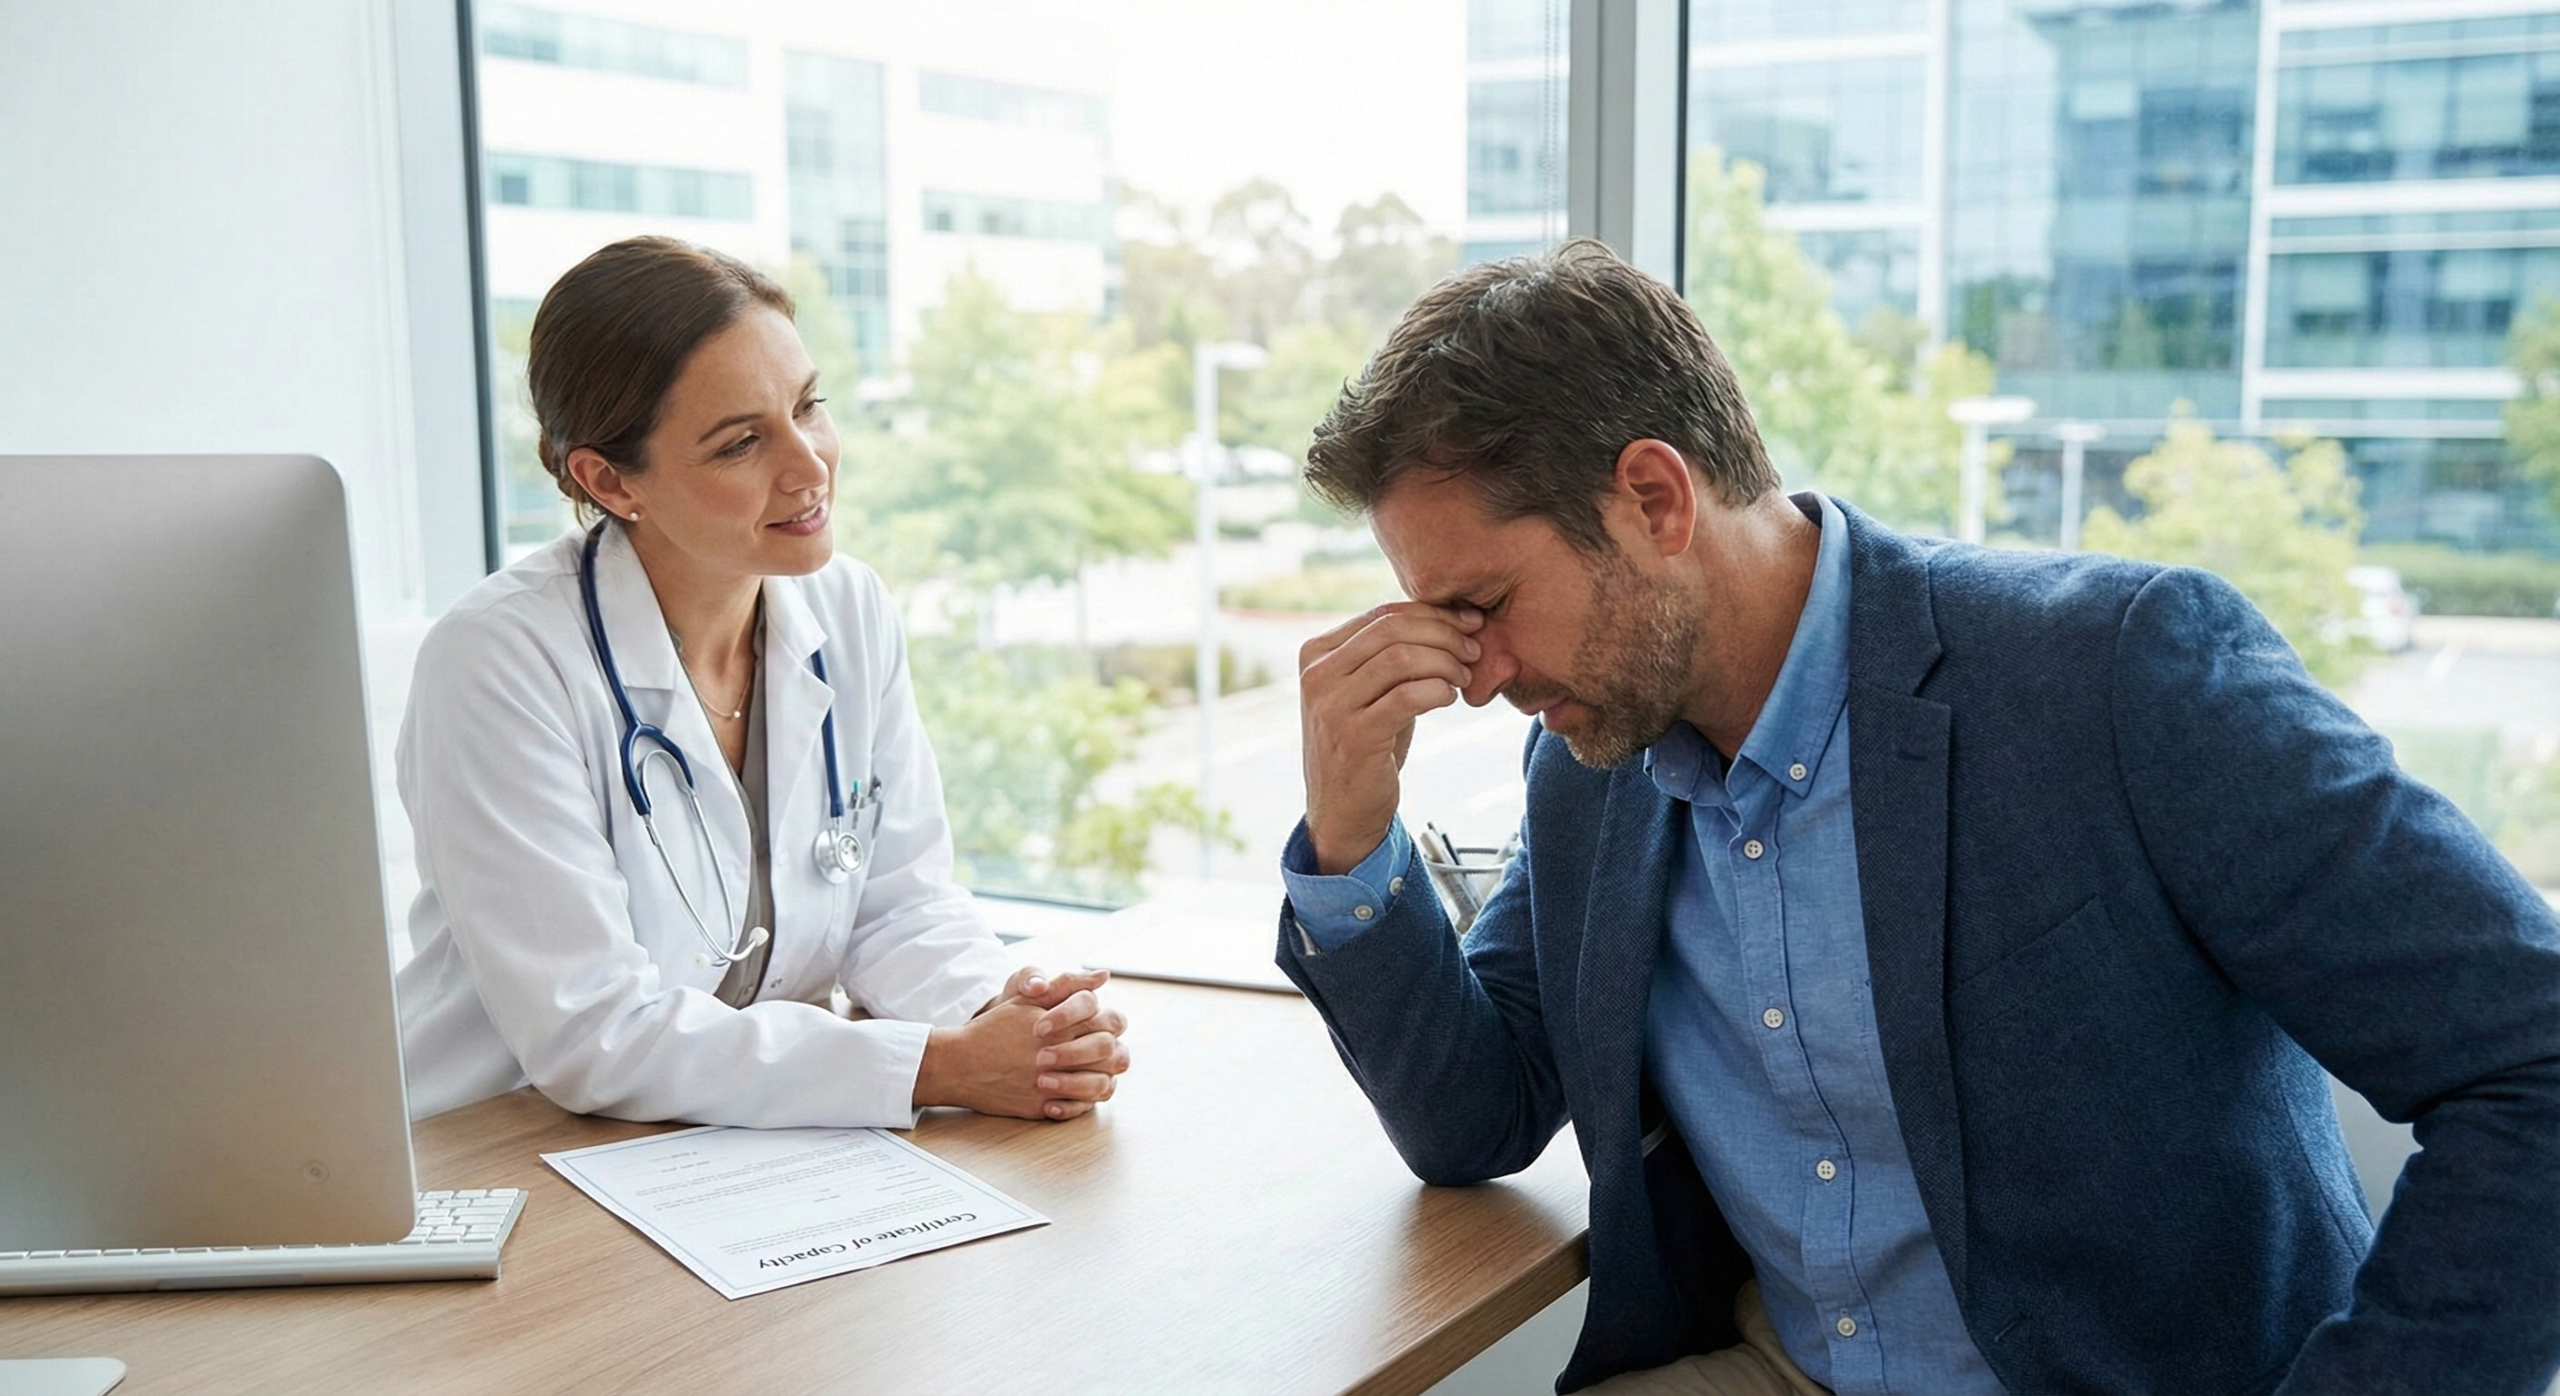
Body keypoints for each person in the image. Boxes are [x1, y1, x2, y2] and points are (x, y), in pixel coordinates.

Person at [1278, 240, 2560, 1395]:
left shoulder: (2115, 674)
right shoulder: (1594, 773)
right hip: (1785, 1361)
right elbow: (1472, 1117)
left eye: (1483, 603)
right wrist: (1349, 836)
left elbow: (2531, 1058)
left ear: (1655, 499)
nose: (1475, 675)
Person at [397, 236, 1130, 1128]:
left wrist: (1004, 1016)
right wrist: (941, 1068)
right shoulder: (499, 661)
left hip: (738, 1154)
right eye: (742, 442)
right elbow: (597, 1033)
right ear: (607, 479)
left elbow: (897, 906)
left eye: (808, 405)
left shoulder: (845, 607)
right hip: (512, 1146)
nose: (809, 465)